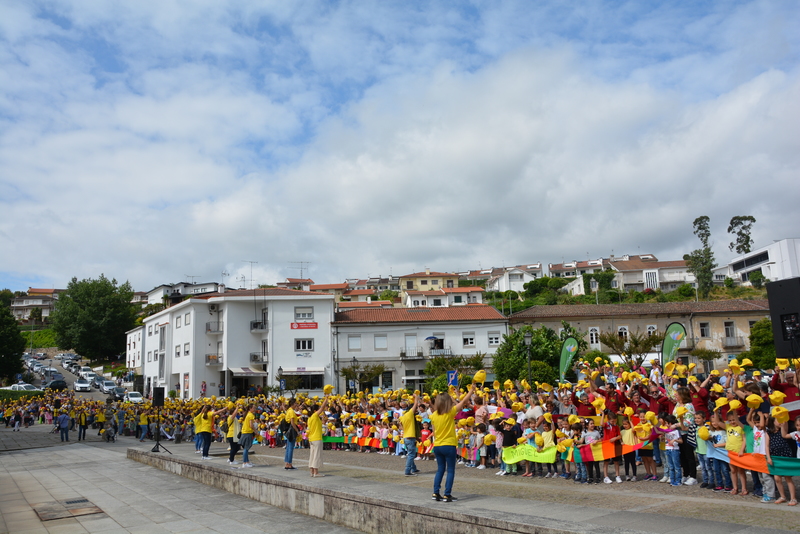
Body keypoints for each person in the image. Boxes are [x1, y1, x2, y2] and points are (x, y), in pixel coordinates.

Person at [430, 383, 476, 502]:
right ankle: (447, 494)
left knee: (440, 469)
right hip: (449, 444)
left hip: (438, 445)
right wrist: (471, 391)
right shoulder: (450, 412)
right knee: (450, 470)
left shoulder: (433, 415)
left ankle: (435, 492)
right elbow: (463, 402)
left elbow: (434, 432)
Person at [308, 395, 329, 477]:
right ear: (315, 411)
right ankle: (316, 472)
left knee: (312, 455)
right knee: (316, 455)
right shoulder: (314, 416)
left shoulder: (310, 418)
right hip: (317, 438)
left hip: (312, 438)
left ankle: (312, 471)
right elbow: (322, 407)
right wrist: (326, 399)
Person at [400, 393, 421, 476]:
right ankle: (407, 471)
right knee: (411, 455)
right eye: (416, 410)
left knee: (410, 454)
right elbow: (415, 404)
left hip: (406, 437)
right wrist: (416, 398)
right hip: (410, 437)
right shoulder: (409, 414)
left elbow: (401, 426)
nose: (417, 411)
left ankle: (414, 468)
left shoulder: (404, 416)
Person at [283, 399, 300, 470]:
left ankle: (287, 463)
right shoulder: (292, 412)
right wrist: (297, 431)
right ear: (292, 404)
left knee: (288, 447)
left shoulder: (288, 411)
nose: (296, 404)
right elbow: (292, 423)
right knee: (290, 447)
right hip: (292, 430)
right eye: (295, 403)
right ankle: (289, 464)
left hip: (288, 430)